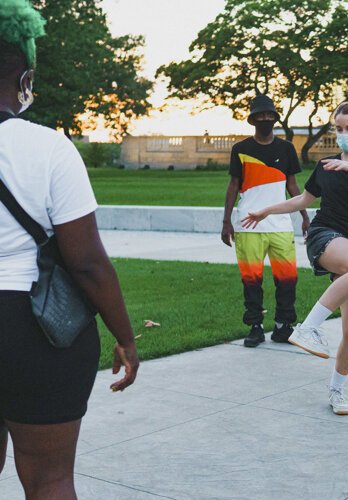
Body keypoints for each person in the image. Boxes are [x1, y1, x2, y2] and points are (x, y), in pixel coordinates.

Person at [0, 1, 139, 497]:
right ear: (25, 78)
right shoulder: (48, 147)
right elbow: (86, 260)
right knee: (50, 479)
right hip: (34, 329)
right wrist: (124, 335)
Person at [242, 102, 348, 415]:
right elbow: (303, 200)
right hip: (324, 236)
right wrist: (267, 209)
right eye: (339, 128)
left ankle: (336, 391)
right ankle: (307, 328)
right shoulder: (325, 166)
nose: (344, 134)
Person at [221, 95, 310, 347]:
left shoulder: (286, 148)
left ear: (275, 118)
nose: (265, 119)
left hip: (280, 225)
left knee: (287, 279)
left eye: (269, 115)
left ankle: (283, 326)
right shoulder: (241, 149)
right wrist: (226, 221)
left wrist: (304, 216)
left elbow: (293, 185)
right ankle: (255, 327)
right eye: (260, 116)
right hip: (249, 225)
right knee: (251, 280)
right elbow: (233, 185)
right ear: (252, 120)